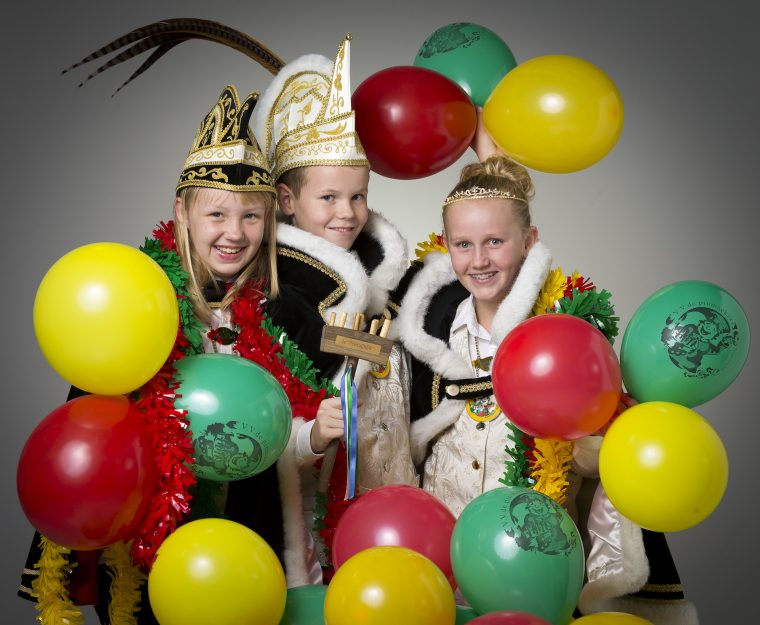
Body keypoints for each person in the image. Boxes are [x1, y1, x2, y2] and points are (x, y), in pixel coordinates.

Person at [19, 84, 332, 624]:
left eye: (251, 216)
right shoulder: (140, 301)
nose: (234, 233)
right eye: (217, 215)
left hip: (247, 540)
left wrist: (318, 435)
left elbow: (289, 441)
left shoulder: (289, 315)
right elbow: (96, 426)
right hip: (148, 546)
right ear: (182, 212)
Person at [393, 117, 698, 624]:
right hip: (441, 564)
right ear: (446, 246)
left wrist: (604, 435)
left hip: (533, 564)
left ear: (530, 241)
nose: (479, 260)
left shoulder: (564, 335)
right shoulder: (430, 325)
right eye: (463, 244)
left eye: (496, 241)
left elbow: (588, 461)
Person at [250, 34, 417, 570]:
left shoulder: (387, 277)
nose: (347, 212)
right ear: (286, 200)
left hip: (392, 491)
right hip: (308, 497)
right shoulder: (270, 283)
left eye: (358, 196)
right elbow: (314, 344)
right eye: (328, 197)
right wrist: (371, 341)